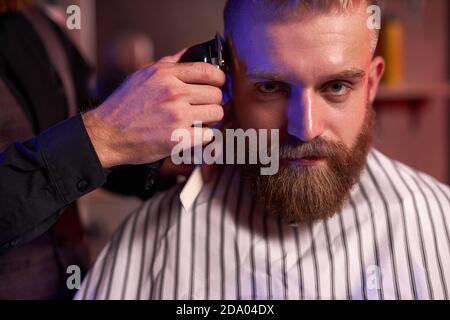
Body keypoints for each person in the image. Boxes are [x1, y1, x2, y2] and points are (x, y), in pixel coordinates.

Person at [76, 0, 450, 300]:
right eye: (271, 88)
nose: (305, 128)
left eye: (336, 87)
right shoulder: (154, 245)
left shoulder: (440, 227)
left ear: (370, 85)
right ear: (228, 87)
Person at [0, 0, 224, 298]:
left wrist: (163, 157)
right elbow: (94, 140)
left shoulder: (41, 29)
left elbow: (94, 154)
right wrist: (104, 135)